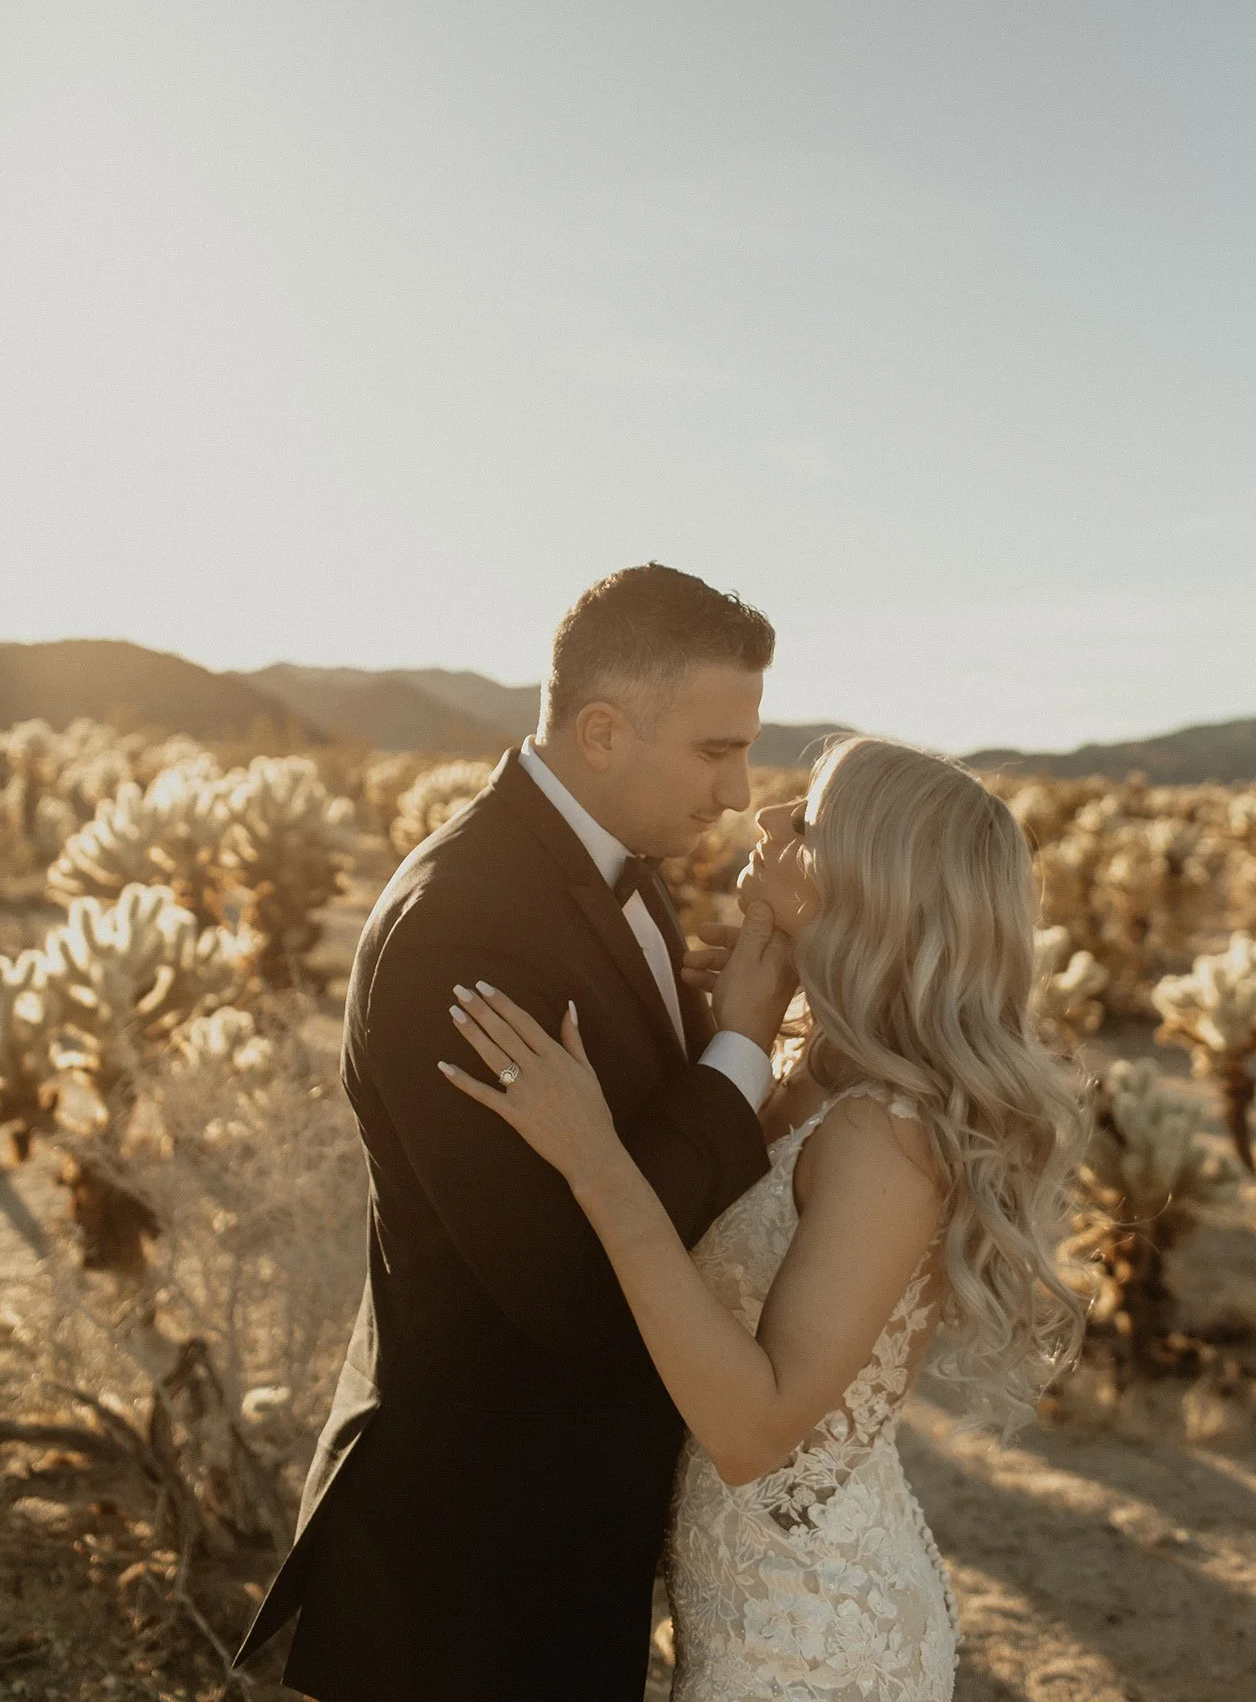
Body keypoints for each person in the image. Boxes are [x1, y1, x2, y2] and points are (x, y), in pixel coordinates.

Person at [235, 564, 798, 1701]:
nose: (739, 793)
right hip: (469, 1560)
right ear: (601, 731)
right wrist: (737, 1047)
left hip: (563, 1528)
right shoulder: (464, 928)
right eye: (713, 751)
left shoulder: (613, 874)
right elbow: (569, 1284)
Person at [442, 733, 1089, 1701]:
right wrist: (732, 1036)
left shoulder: (887, 1139)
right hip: (745, 1600)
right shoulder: (813, 1066)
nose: (772, 817)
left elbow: (754, 1430)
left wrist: (597, 1164)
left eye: (813, 820)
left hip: (816, 1631)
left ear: (872, 883)